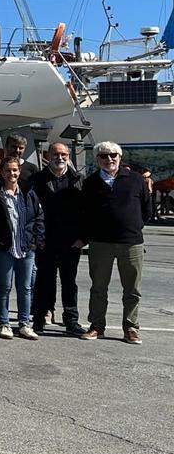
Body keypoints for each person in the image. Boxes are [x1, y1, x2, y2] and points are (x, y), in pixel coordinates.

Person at [77, 141, 149, 344]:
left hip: (131, 243)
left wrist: (132, 227)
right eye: (104, 156)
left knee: (132, 289)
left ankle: (131, 328)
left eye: (113, 155)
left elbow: (146, 209)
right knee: (98, 287)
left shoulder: (135, 180)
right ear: (97, 159)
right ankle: (97, 326)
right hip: (100, 244)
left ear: (120, 157)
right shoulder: (90, 183)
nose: (109, 159)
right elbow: (85, 213)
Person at [30, 141, 85, 335]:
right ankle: (39, 318)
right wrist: (37, 238)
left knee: (69, 282)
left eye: (63, 154)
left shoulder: (78, 180)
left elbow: (87, 212)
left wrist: (82, 239)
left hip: (71, 242)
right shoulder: (37, 179)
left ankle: (71, 319)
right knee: (44, 280)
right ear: (48, 156)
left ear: (68, 156)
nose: (59, 158)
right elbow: (31, 210)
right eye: (55, 154)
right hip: (45, 241)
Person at [0, 157, 44, 340]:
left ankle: (24, 324)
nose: (12, 174)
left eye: (15, 170)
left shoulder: (28, 192)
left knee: (25, 288)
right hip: (4, 248)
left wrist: (36, 239)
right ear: (1, 172)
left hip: (26, 247)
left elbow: (38, 216)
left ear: (19, 172)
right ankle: (4, 322)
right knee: (4, 287)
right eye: (8, 170)